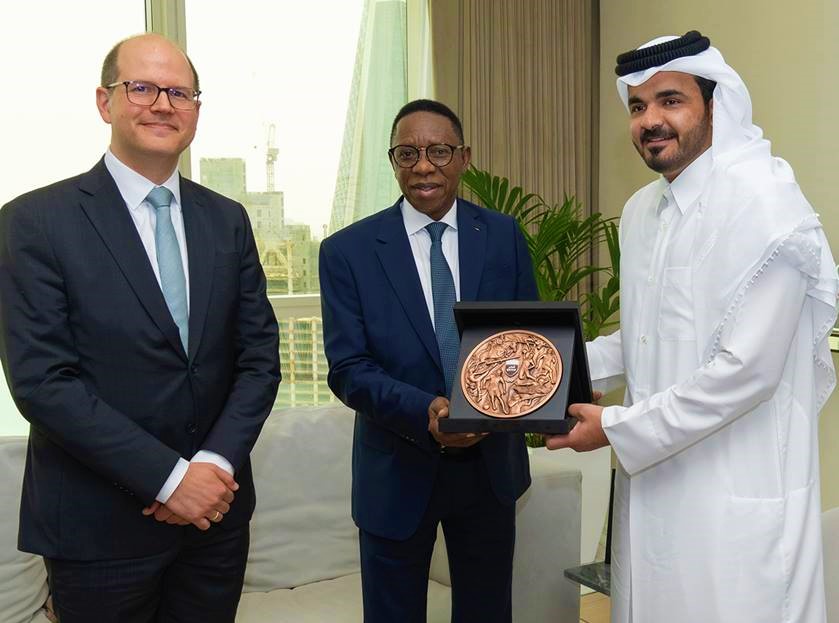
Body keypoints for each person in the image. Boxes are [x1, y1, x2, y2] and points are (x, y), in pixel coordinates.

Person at [545, 31, 839, 623]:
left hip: (732, 494)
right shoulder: (641, 211)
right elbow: (646, 336)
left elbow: (747, 372)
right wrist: (547, 367)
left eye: (671, 100)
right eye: (637, 106)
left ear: (714, 104)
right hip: (653, 485)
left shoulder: (766, 204)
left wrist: (616, 427)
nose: (650, 120)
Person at [0, 34, 280, 622]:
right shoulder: (33, 223)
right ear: (104, 102)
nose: (162, 104)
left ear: (196, 110)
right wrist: (171, 480)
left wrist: (213, 467)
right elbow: (43, 381)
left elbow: (258, 358)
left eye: (179, 93)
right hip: (98, 529)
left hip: (215, 522)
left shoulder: (227, 220)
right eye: (142, 88)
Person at [319, 99, 538, 623]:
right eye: (407, 153)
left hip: (490, 468)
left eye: (439, 151)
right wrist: (428, 412)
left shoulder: (503, 236)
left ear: (464, 157)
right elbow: (348, 369)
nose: (423, 166)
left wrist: (553, 392)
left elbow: (527, 342)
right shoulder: (347, 251)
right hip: (397, 469)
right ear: (392, 161)